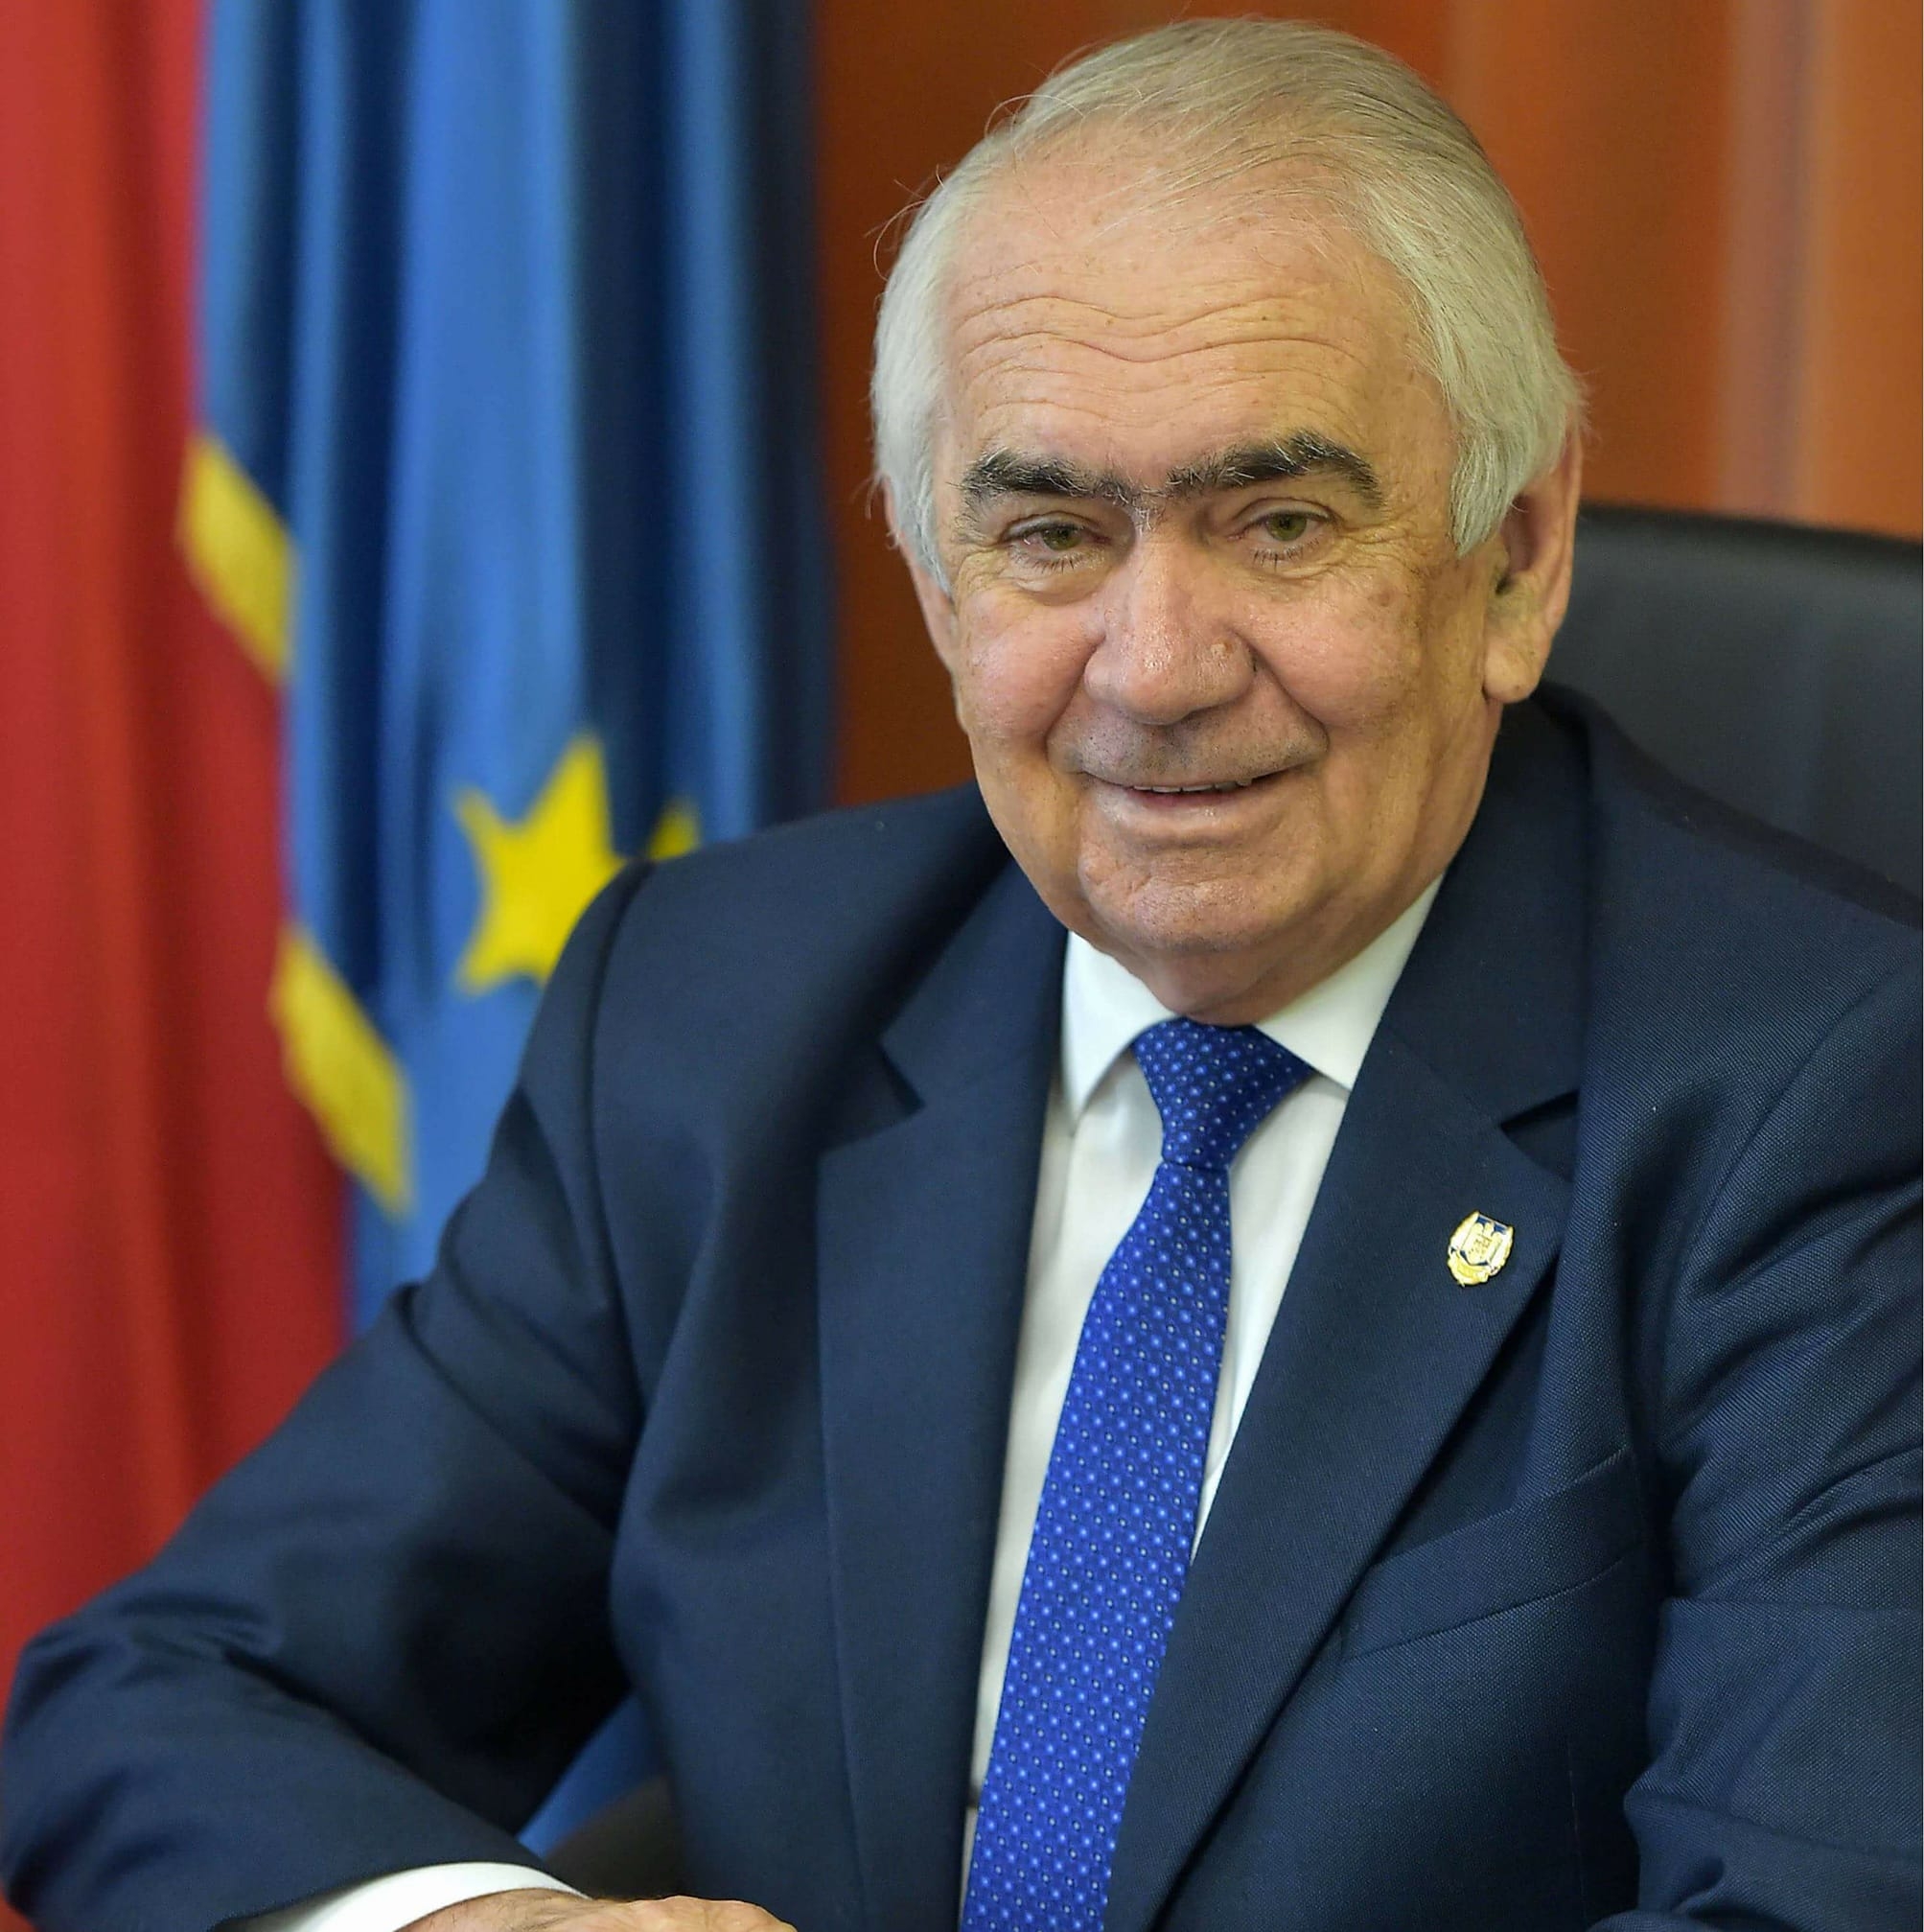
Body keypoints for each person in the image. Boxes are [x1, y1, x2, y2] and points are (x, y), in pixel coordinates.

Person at [4, 20, 1917, 1932]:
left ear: (1515, 558)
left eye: (1278, 523)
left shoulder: (1826, 1099)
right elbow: (159, 1698)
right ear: (938, 585)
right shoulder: (714, 1019)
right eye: (1050, 535)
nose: (1154, 668)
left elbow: (1812, 1905)